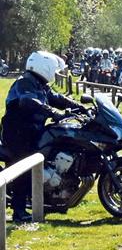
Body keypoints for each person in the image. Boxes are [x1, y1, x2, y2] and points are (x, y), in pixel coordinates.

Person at [1, 51, 85, 222]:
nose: (54, 73)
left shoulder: (39, 84)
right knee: (24, 165)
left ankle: (52, 198)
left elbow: (56, 98)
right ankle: (19, 211)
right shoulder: (25, 82)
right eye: (53, 69)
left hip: (33, 130)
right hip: (18, 134)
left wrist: (79, 107)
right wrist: (53, 113)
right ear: (44, 67)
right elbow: (29, 101)